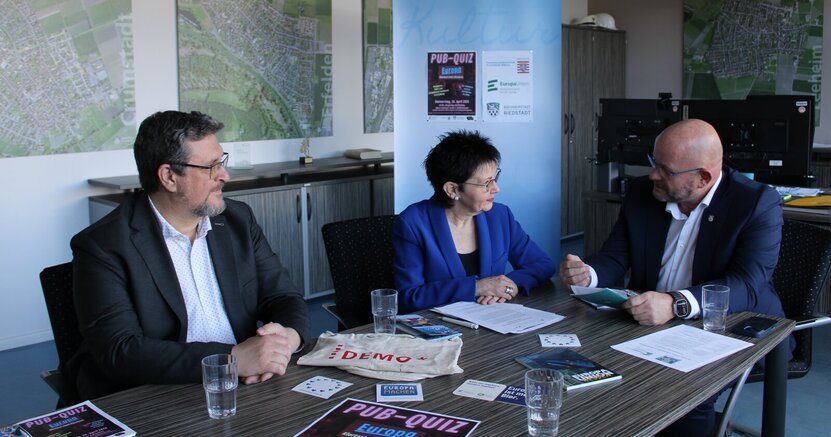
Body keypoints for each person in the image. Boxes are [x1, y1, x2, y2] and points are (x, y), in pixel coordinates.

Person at [559, 118, 787, 436]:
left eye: (666, 170)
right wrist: (588, 275)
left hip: (731, 325)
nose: (653, 174)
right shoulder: (643, 192)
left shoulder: (756, 203)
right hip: (648, 323)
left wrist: (675, 303)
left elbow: (747, 285)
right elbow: (615, 255)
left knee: (688, 396)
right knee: (578, 367)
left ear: (704, 177)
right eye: (654, 162)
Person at [68, 110, 310, 399]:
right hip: (155, 395)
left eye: (222, 162)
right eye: (211, 167)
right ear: (169, 177)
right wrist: (231, 360)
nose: (225, 175)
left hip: (244, 386)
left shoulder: (237, 221)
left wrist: (288, 339)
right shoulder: (103, 245)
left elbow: (283, 297)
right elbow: (121, 351)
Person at [394, 130, 556, 313]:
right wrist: (476, 287)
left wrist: (508, 286)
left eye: (495, 179)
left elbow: (542, 264)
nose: (496, 188)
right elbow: (408, 297)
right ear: (452, 189)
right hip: (442, 331)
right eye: (486, 183)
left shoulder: (500, 216)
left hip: (492, 323)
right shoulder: (413, 224)